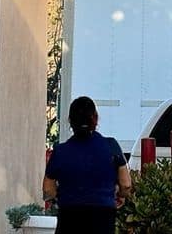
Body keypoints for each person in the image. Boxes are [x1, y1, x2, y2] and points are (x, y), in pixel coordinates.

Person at [43, 96, 132, 234]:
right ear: (95, 119)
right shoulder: (111, 146)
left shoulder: (60, 151)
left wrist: (59, 197)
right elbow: (126, 185)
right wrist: (120, 194)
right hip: (102, 219)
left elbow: (48, 189)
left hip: (69, 217)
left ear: (70, 121)